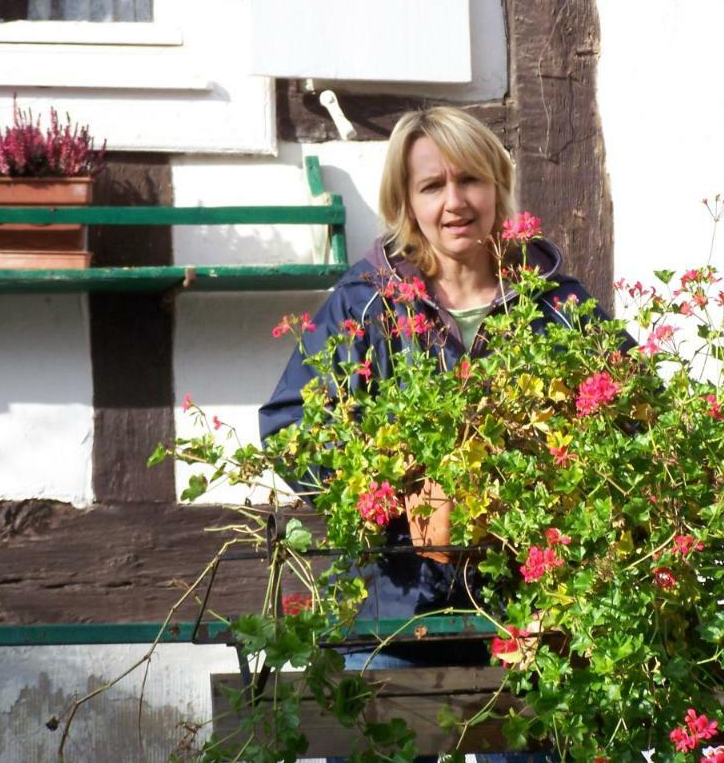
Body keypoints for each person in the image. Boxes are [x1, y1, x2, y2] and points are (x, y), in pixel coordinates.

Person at [259, 106, 605, 757]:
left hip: (527, 608)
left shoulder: (555, 305)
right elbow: (288, 426)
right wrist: (394, 486)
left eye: (469, 180)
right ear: (405, 202)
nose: (455, 202)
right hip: (393, 608)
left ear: (497, 187)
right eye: (431, 186)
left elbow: (631, 413)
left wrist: (546, 494)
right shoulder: (367, 301)